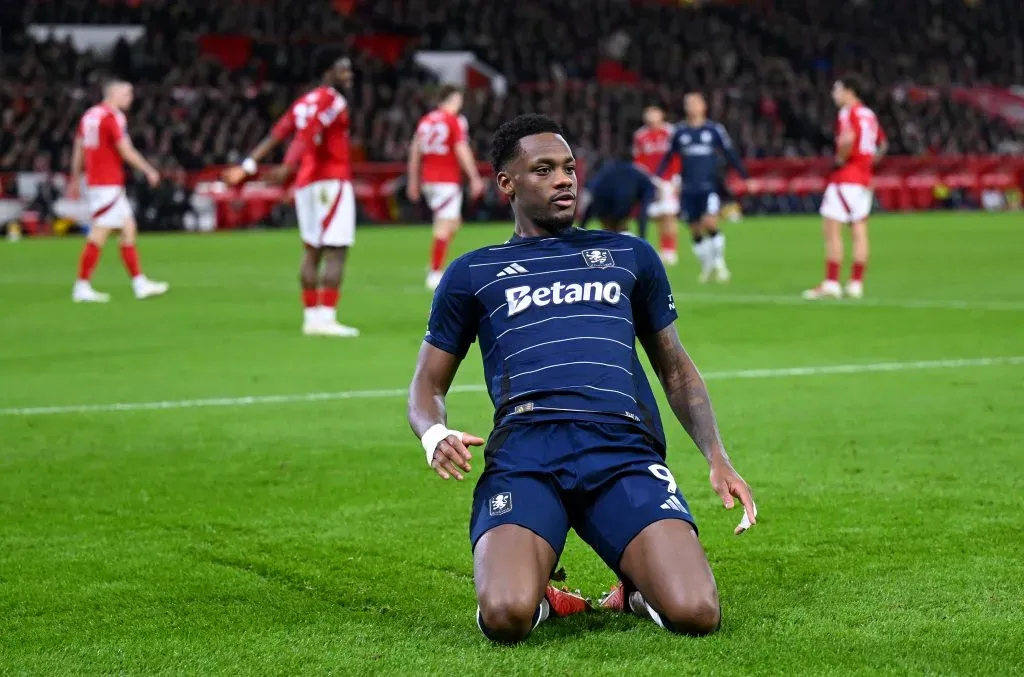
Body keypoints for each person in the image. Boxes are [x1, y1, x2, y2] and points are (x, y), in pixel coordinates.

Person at [407, 114, 757, 645]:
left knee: (696, 612)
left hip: (621, 452)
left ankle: (635, 591)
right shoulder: (473, 272)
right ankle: (543, 595)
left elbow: (675, 368)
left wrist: (717, 456)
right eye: (543, 170)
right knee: (505, 615)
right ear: (507, 183)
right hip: (526, 455)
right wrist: (435, 434)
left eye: (569, 168)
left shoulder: (629, 256)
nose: (564, 180)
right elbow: (426, 386)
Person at [224, 55, 359, 337]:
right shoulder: (333, 100)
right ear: (327, 72)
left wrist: (248, 165)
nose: (349, 74)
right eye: (342, 70)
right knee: (336, 250)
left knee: (311, 249)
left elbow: (278, 132)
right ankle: (327, 318)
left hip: (306, 184)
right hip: (330, 180)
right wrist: (287, 165)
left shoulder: (303, 102)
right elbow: (309, 132)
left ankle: (311, 318)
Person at [68, 79, 168, 303]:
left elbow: (79, 148)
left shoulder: (89, 116)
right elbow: (125, 149)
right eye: (126, 94)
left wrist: (75, 177)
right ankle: (82, 286)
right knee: (100, 232)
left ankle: (139, 283)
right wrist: (148, 170)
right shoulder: (113, 116)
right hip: (107, 183)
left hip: (97, 181)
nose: (130, 98)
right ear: (112, 95)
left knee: (128, 228)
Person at [804, 75, 888, 300]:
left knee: (832, 230)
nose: (834, 94)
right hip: (864, 180)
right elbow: (882, 144)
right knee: (860, 232)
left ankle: (831, 283)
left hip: (845, 178)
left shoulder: (847, 112)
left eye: (837, 89)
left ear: (849, 91)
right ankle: (856, 284)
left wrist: (839, 161)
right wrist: (867, 164)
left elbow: (847, 140)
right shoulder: (869, 114)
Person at [656, 93, 750, 283]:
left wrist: (744, 176)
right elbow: (668, 157)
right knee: (695, 229)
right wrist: (657, 177)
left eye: (695, 103)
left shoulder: (714, 129)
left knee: (710, 223)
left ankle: (720, 265)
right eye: (688, 103)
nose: (692, 106)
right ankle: (706, 266)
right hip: (688, 188)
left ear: (703, 106)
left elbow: (729, 153)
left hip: (709, 185)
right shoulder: (680, 132)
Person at [406, 86, 486, 291]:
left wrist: (413, 180)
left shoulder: (426, 121)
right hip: (446, 180)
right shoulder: (453, 120)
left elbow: (415, 151)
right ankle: (434, 272)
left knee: (453, 222)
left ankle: (435, 262)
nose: (460, 103)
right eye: (458, 99)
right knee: (444, 224)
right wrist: (474, 177)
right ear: (451, 99)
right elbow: (461, 148)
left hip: (428, 179)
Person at [633, 106, 682, 264]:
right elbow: (638, 160)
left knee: (669, 214)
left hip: (668, 180)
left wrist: (676, 178)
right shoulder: (640, 136)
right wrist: (646, 180)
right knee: (657, 216)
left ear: (662, 115)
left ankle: (671, 250)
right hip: (650, 180)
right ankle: (663, 248)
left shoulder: (671, 132)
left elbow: (677, 156)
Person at [576, 157, 656, 236]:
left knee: (612, 229)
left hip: (605, 194)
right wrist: (642, 236)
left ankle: (612, 232)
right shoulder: (646, 183)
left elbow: (591, 202)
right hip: (615, 197)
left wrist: (581, 228)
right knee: (616, 229)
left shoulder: (609, 170)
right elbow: (643, 212)